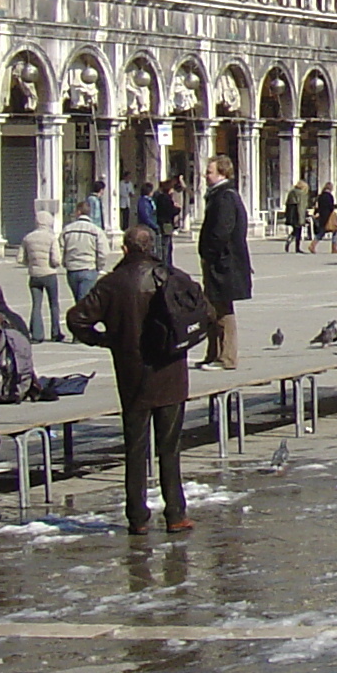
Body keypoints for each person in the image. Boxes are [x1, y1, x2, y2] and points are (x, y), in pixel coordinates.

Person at [66, 227, 194, 535]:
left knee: (136, 447)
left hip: (133, 373)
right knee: (170, 447)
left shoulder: (112, 283)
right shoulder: (171, 275)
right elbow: (200, 307)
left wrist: (104, 339)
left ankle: (137, 516)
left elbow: (76, 318)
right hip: (170, 371)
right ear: (151, 247)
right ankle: (175, 513)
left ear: (125, 249)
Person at [195, 157, 251, 372]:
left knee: (223, 309)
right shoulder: (219, 195)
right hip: (220, 262)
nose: (205, 176)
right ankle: (213, 354)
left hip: (224, 264)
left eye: (209, 172)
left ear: (222, 174)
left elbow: (222, 231)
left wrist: (210, 253)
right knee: (212, 309)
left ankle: (226, 357)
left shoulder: (225, 197)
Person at [19, 213, 66, 345]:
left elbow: (20, 259)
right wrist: (53, 264)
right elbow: (56, 260)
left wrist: (31, 263)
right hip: (49, 274)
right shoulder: (51, 238)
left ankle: (36, 334)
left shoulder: (28, 238)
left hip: (34, 275)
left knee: (36, 305)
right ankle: (55, 332)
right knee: (54, 304)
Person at [60, 202, 108, 312]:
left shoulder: (68, 229)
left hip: (72, 269)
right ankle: (82, 324)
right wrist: (99, 266)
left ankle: (79, 323)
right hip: (89, 268)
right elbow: (103, 252)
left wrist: (65, 263)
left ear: (78, 212)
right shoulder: (96, 231)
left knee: (78, 301)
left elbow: (61, 248)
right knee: (84, 302)